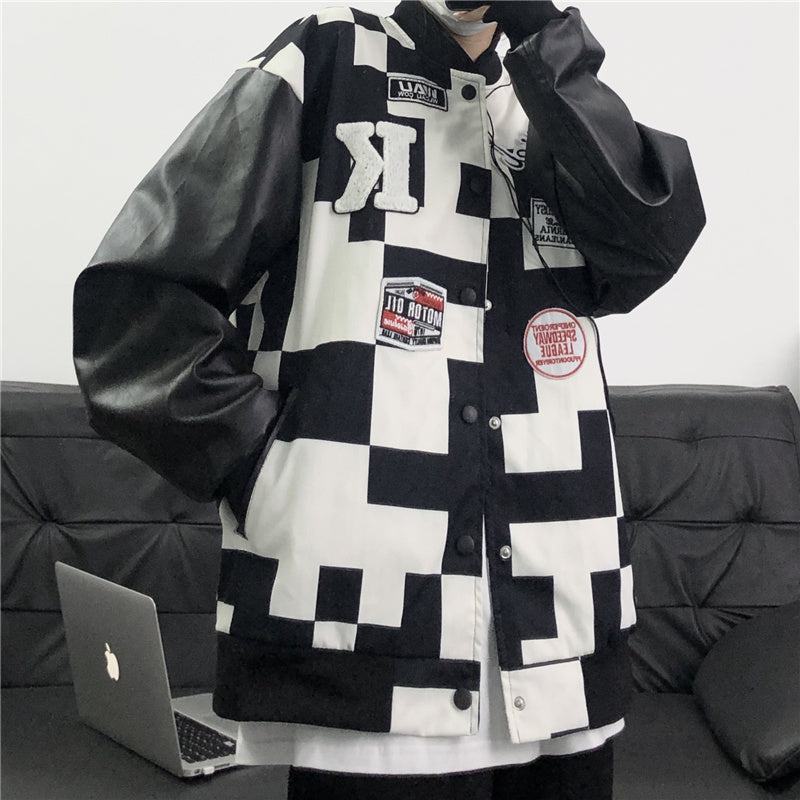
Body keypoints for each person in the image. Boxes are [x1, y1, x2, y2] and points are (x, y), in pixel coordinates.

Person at [72, 1, 705, 797]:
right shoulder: (324, 58)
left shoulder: (558, 99)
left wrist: (547, 39)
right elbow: (136, 311)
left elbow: (655, 240)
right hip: (358, 658)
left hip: (563, 658)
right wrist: (269, 469)